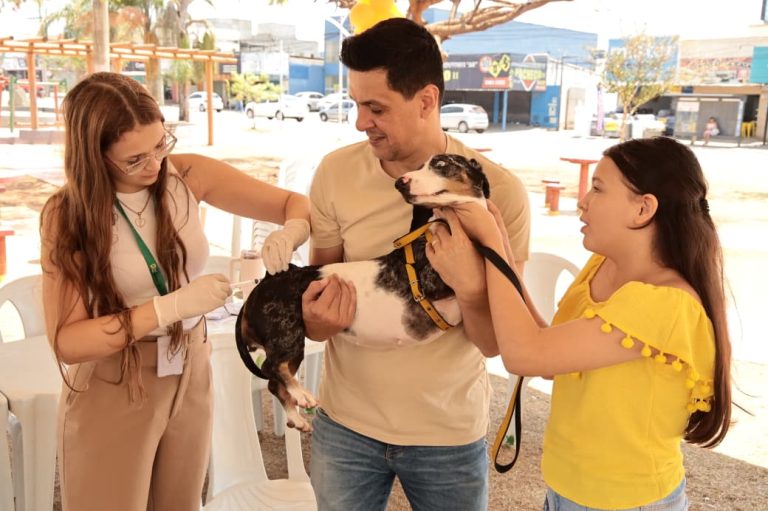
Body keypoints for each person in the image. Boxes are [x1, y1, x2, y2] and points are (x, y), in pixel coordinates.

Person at [40, 72, 310, 511]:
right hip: (116, 375)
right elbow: (69, 342)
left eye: (160, 144)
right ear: (96, 157)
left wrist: (293, 230)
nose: (154, 165)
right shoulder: (68, 215)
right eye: (134, 160)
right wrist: (169, 306)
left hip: (190, 364)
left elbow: (291, 204)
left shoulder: (188, 175)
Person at [428, 136, 732, 511]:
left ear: (643, 209)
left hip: (624, 501)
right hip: (567, 491)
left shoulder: (664, 303)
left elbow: (526, 355)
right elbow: (549, 350)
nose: (582, 202)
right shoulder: (601, 268)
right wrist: (502, 242)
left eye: (598, 189)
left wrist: (489, 240)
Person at [302, 18, 531, 511]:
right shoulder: (335, 173)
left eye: (376, 107)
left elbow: (499, 343)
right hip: (345, 426)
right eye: (357, 104)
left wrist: (469, 287)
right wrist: (315, 322)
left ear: (427, 101)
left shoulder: (496, 194)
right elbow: (316, 290)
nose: (361, 122)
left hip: (447, 433)